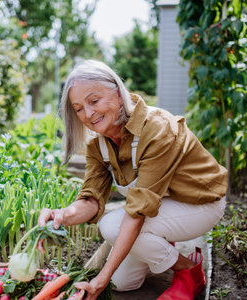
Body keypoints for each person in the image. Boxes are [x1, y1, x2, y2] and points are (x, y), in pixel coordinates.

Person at [38, 60, 228, 300]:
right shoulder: (98, 145)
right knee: (121, 284)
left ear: (118, 92)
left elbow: (136, 213)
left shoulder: (157, 128)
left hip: (199, 205)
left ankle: (188, 270)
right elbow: (91, 200)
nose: (88, 114)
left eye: (94, 101)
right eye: (78, 108)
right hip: (159, 208)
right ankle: (158, 245)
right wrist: (62, 215)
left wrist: (100, 278)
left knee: (111, 226)